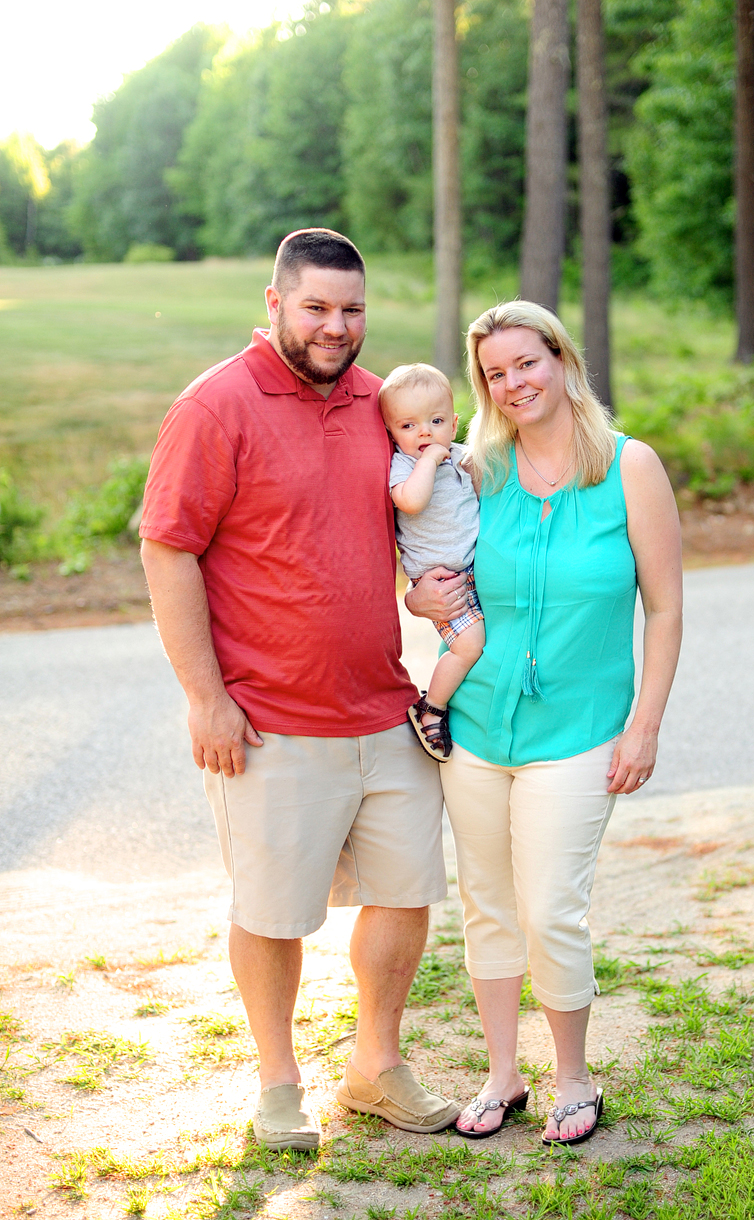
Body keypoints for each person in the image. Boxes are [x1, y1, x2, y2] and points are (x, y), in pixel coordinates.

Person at [139, 229, 460, 1152]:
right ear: (275, 301)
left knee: (406, 894)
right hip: (268, 718)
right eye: (317, 306)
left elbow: (406, 519)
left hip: (384, 707)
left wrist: (427, 588)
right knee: (271, 910)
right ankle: (279, 1084)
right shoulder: (215, 406)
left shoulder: (381, 404)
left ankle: (375, 1067)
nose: (336, 326)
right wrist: (206, 698)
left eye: (352, 309)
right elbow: (169, 549)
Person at [406, 301, 683, 1146]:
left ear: (561, 360)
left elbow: (665, 610)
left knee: (551, 907)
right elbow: (428, 567)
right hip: (477, 730)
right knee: (486, 906)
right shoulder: (474, 469)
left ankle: (574, 1076)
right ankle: (502, 1075)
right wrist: (417, 599)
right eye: (494, 373)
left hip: (582, 730)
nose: (513, 383)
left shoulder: (631, 468)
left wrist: (644, 726)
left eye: (527, 363)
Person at [379, 363, 484, 762]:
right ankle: (431, 707)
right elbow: (412, 501)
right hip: (442, 582)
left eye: (436, 421)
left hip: (475, 570)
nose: (424, 432)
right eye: (408, 426)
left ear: (454, 422)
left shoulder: (461, 457)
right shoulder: (403, 466)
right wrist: (430, 459)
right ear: (392, 434)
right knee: (469, 646)